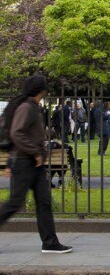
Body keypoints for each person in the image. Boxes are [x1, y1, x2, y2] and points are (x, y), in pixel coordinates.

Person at [0, 75, 73, 253]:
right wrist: (34, 152)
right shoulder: (26, 107)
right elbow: (17, 133)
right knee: (15, 203)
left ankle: (50, 243)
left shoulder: (34, 107)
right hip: (24, 162)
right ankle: (50, 242)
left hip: (35, 164)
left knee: (44, 201)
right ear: (41, 90)